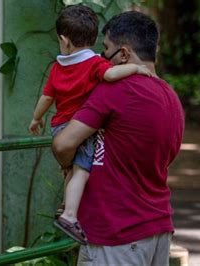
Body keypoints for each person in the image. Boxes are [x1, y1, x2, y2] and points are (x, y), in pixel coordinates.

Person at [52, 11, 184, 265]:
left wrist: (70, 165)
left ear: (123, 54)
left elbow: (63, 143)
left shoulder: (116, 89)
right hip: (157, 228)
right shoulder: (171, 98)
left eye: (106, 50)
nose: (101, 59)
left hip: (117, 234)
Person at [28, 4, 151, 245]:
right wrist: (136, 68)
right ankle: (70, 215)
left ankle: (65, 205)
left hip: (59, 126)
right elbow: (110, 75)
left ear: (64, 40)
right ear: (94, 38)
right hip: (81, 127)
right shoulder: (95, 63)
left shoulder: (57, 67)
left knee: (71, 170)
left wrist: (36, 118)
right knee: (82, 173)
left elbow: (46, 98)